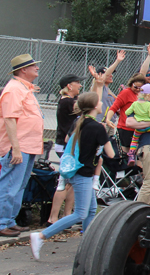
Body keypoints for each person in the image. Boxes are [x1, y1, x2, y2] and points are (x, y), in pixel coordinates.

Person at [29, 92, 115, 259]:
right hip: (84, 173)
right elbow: (110, 154)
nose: (101, 104)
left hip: (78, 171)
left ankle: (88, 246)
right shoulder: (98, 127)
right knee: (81, 213)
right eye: (99, 102)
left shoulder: (79, 122)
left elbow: (69, 140)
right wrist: (106, 136)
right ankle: (41, 236)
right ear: (95, 106)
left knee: (91, 209)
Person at [0, 54, 44, 237]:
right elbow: (10, 119)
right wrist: (15, 148)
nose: (37, 68)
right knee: (9, 185)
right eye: (34, 66)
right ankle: (2, 222)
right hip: (19, 146)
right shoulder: (14, 89)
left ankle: (9, 220)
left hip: (29, 146)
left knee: (18, 186)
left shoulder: (23, 88)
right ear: (23, 70)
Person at [49, 74, 82, 224]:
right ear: (69, 86)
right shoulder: (67, 102)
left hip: (71, 145)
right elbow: (87, 105)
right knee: (64, 181)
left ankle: (67, 215)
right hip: (65, 146)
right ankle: (53, 218)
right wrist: (98, 84)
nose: (80, 86)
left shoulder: (69, 101)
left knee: (72, 182)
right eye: (77, 83)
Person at [104, 74, 148, 153]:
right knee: (126, 152)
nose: (137, 89)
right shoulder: (126, 93)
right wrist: (108, 119)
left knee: (138, 152)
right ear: (131, 84)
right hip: (126, 128)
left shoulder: (142, 95)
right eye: (135, 87)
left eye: (140, 88)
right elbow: (114, 107)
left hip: (138, 128)